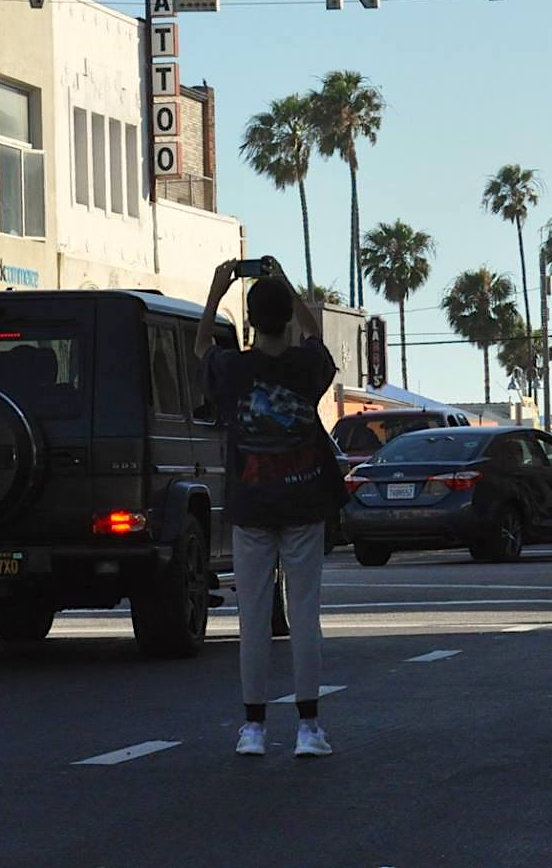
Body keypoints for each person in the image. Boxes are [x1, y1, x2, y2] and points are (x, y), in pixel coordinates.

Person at [195, 257, 343, 759]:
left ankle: (253, 726)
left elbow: (200, 350)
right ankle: (308, 727)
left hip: (251, 504)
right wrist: (285, 282)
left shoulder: (233, 367)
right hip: (303, 502)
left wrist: (217, 291)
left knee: (253, 617)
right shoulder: (306, 367)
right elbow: (317, 335)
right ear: (285, 317)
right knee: (304, 615)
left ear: (252, 321)